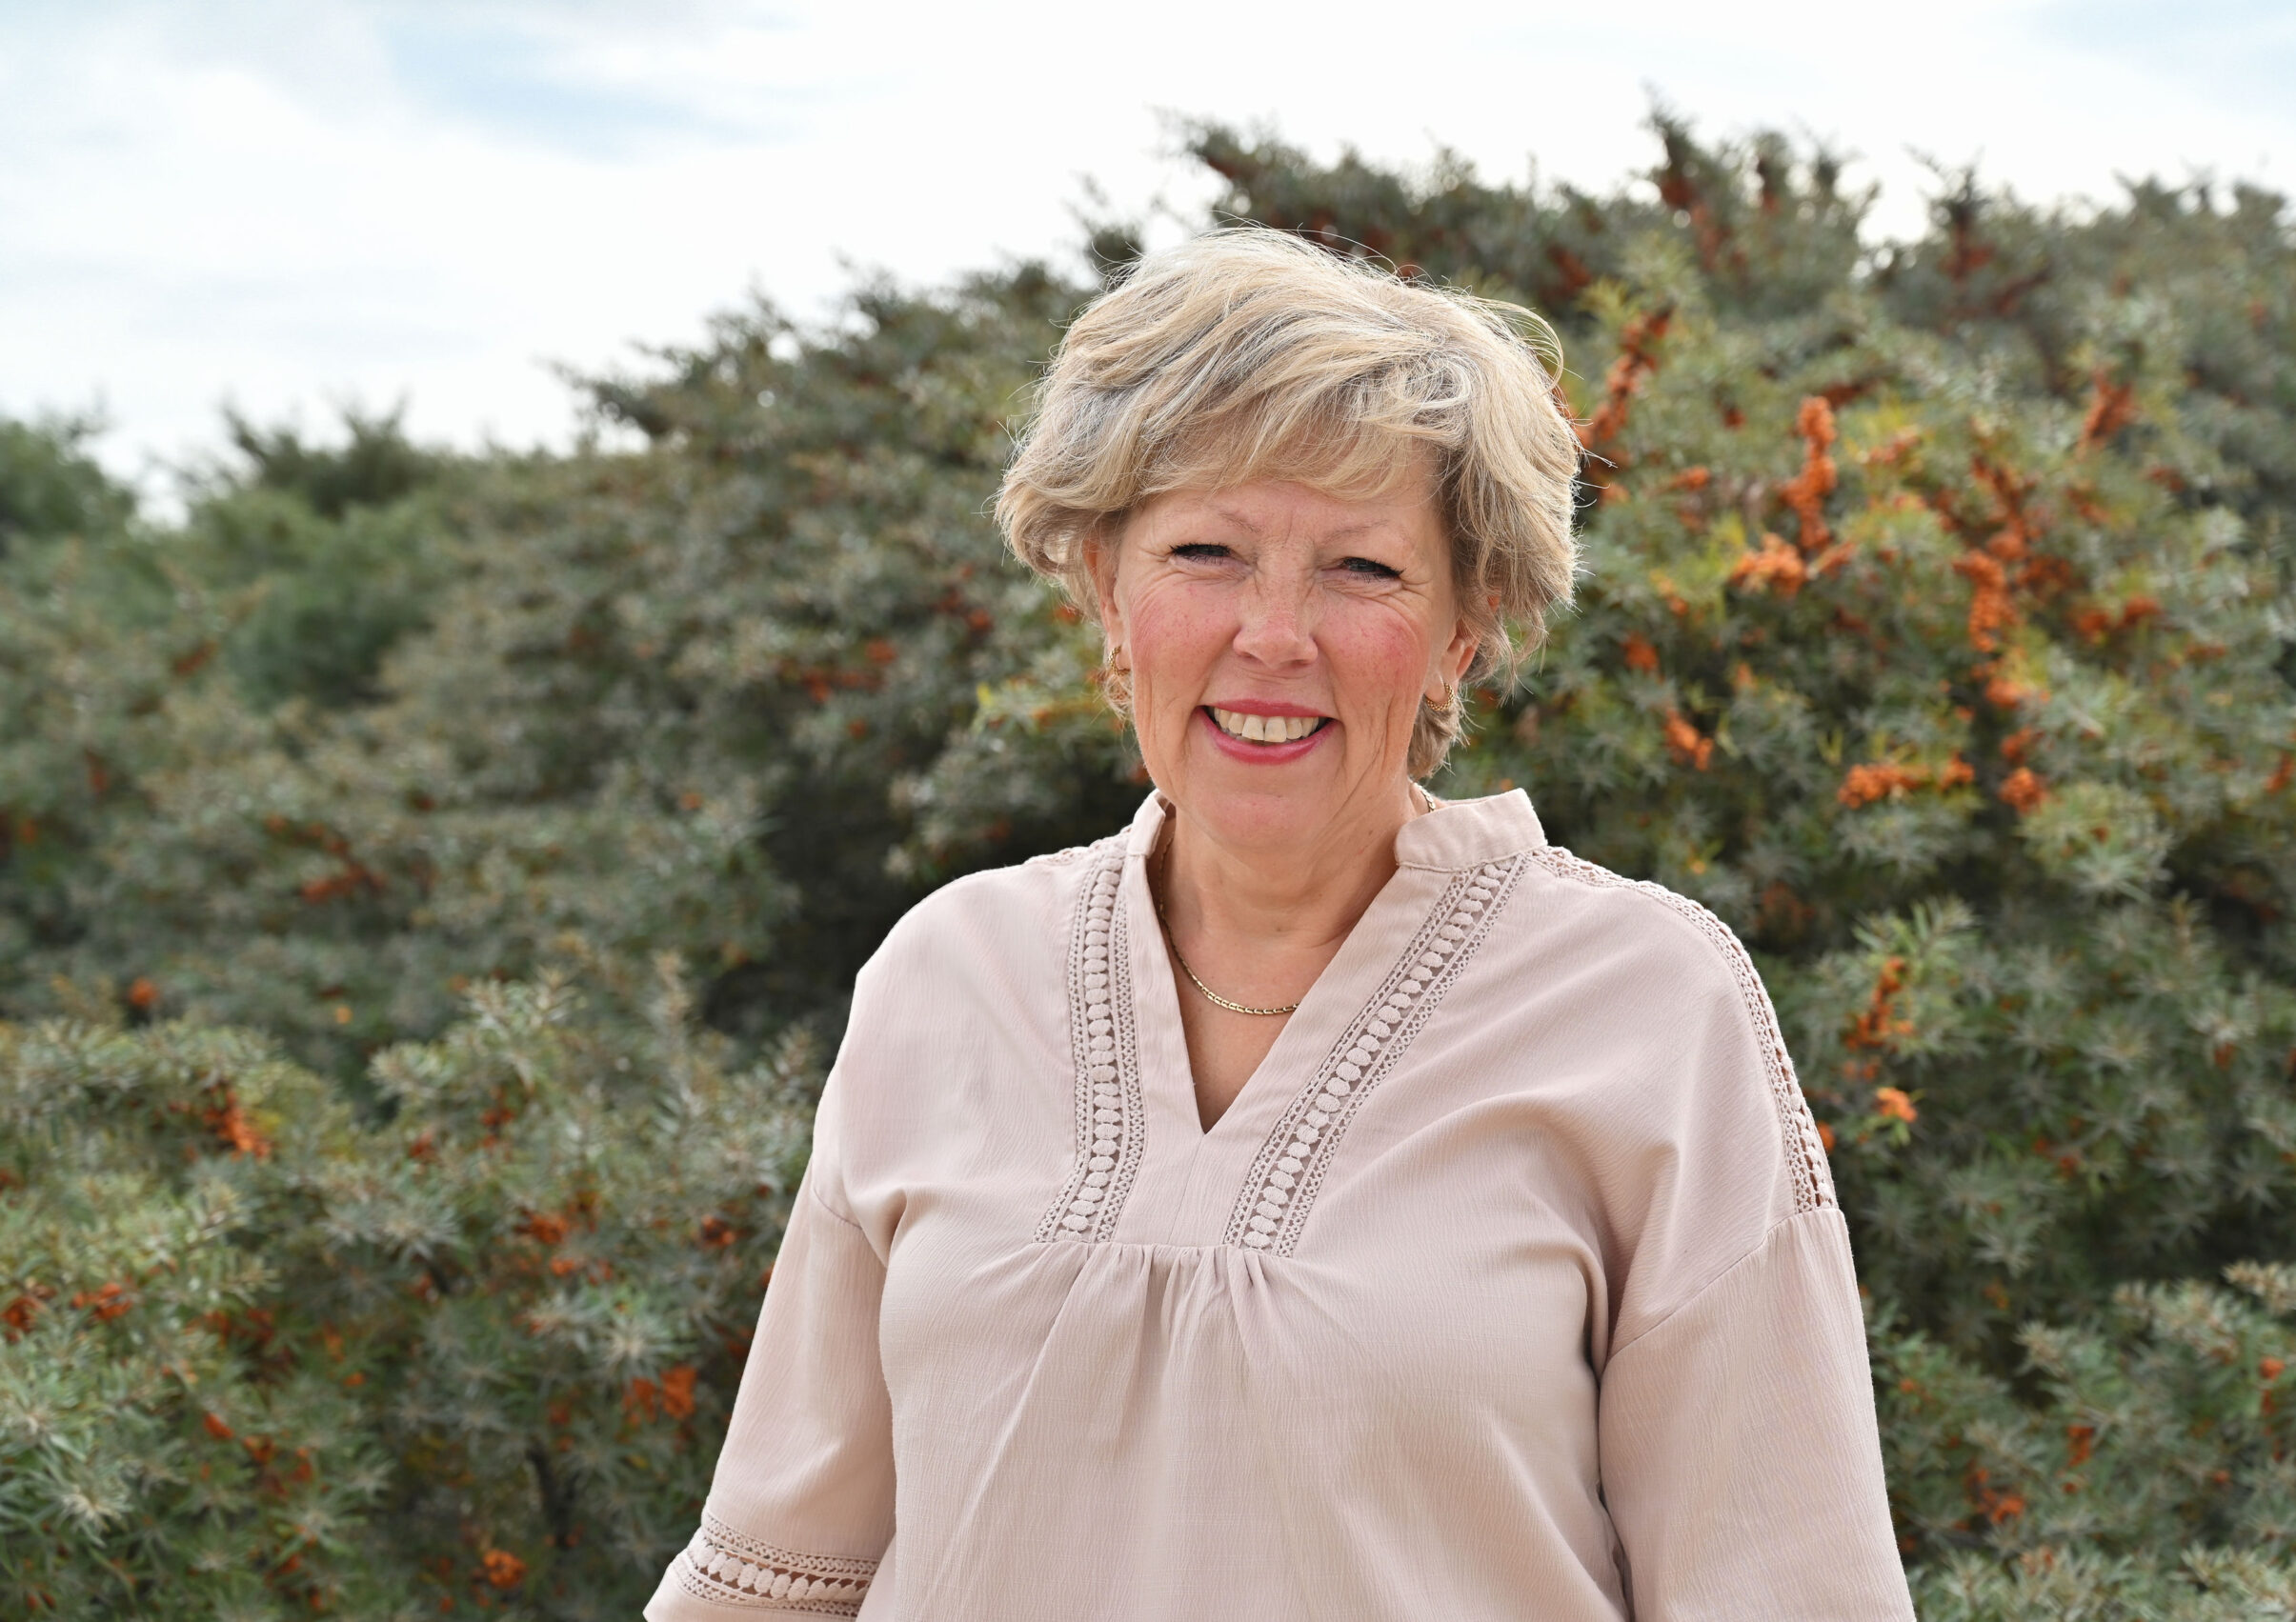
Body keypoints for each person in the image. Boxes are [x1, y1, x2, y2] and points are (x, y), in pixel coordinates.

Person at [645, 229, 1912, 1621]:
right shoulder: (947, 976)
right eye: (1206, 551)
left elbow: (1790, 1589)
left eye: (1363, 569)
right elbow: (777, 1576)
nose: (1273, 634)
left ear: (1467, 625)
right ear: (1107, 589)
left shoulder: (1651, 1004)